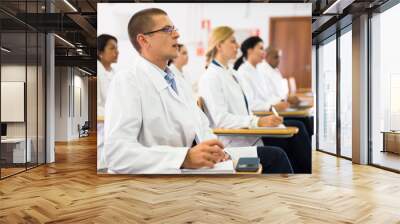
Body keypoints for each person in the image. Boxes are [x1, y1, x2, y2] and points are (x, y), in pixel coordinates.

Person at [103, 8, 292, 174]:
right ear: (144, 40)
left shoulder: (175, 79)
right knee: (276, 158)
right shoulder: (128, 81)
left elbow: (201, 124)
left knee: (276, 156)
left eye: (175, 29)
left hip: (190, 162)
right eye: (168, 30)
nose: (177, 35)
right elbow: (117, 153)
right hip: (163, 171)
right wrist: (184, 157)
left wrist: (215, 150)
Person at [198, 28, 311, 173]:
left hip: (249, 135)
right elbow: (221, 120)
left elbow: (245, 109)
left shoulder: (232, 73)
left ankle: (303, 181)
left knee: (294, 138)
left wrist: (260, 121)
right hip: (233, 146)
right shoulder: (210, 77)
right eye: (233, 41)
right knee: (278, 155)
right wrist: (257, 121)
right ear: (219, 45)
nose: (238, 46)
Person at [233, 36, 289, 112]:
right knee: (300, 123)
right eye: (261, 48)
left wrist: (281, 101)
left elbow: (268, 96)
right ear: (250, 51)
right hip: (260, 115)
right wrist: (271, 107)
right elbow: (250, 103)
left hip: (268, 111)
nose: (264, 52)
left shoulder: (259, 70)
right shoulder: (243, 73)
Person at [97, 34, 119, 170]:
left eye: (117, 48)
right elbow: (97, 104)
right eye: (112, 48)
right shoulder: (97, 73)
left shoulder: (114, 72)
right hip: (102, 121)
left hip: (111, 120)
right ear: (100, 52)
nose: (117, 52)